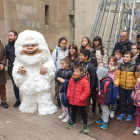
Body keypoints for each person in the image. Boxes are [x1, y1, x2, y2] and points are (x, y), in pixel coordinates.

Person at [115, 51, 139, 122]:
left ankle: (130, 114)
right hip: (122, 87)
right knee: (122, 101)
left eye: (127, 57)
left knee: (130, 102)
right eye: (124, 56)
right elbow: (117, 76)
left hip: (131, 88)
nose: (125, 58)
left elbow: (136, 78)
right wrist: (116, 84)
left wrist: (135, 87)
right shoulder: (121, 65)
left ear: (131, 58)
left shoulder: (135, 67)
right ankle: (122, 113)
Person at [66, 64, 90, 134]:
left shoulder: (85, 81)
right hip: (73, 100)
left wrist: (81, 98)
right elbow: (69, 88)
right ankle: (73, 121)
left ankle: (85, 124)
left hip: (80, 101)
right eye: (74, 71)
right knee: (73, 111)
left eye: (77, 72)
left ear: (81, 72)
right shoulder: (71, 79)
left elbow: (87, 91)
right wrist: (68, 94)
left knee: (83, 112)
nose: (75, 73)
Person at [79, 49, 96, 119]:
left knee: (86, 103)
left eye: (81, 56)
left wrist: (91, 89)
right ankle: (80, 113)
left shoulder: (90, 66)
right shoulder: (79, 63)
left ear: (86, 56)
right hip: (80, 87)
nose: (80, 57)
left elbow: (93, 78)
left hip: (87, 88)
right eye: (79, 55)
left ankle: (85, 116)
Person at [52, 37, 69, 107]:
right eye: (62, 43)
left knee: (66, 85)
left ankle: (65, 98)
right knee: (58, 86)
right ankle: (58, 99)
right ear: (59, 43)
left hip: (66, 71)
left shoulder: (68, 50)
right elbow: (53, 62)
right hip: (58, 71)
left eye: (65, 43)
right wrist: (55, 71)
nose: (64, 45)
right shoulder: (56, 51)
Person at [5, 30, 20, 107]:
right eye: (8, 36)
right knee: (15, 85)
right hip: (11, 68)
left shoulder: (20, 45)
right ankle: (18, 100)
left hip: (21, 69)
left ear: (15, 36)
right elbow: (7, 56)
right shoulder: (7, 47)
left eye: (11, 36)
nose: (9, 37)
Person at [56, 57, 73, 122]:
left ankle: (69, 114)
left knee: (67, 102)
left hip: (67, 91)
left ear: (67, 64)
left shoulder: (70, 72)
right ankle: (64, 112)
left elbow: (72, 81)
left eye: (63, 64)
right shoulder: (60, 70)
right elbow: (56, 76)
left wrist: (65, 81)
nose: (61, 65)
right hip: (61, 89)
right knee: (62, 102)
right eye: (61, 64)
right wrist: (57, 78)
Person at [0, 41, 8, 108]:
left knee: (2, 86)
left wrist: (2, 64)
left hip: (0, 70)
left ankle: (3, 101)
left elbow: (4, 56)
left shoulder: (1, 44)